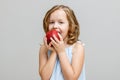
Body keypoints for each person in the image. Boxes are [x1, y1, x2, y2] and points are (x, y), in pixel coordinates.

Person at [39, 5, 86, 80]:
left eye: (61, 22)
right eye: (51, 22)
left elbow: (71, 78)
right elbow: (44, 77)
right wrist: (54, 51)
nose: (55, 26)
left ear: (70, 26)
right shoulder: (44, 48)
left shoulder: (77, 48)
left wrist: (61, 52)